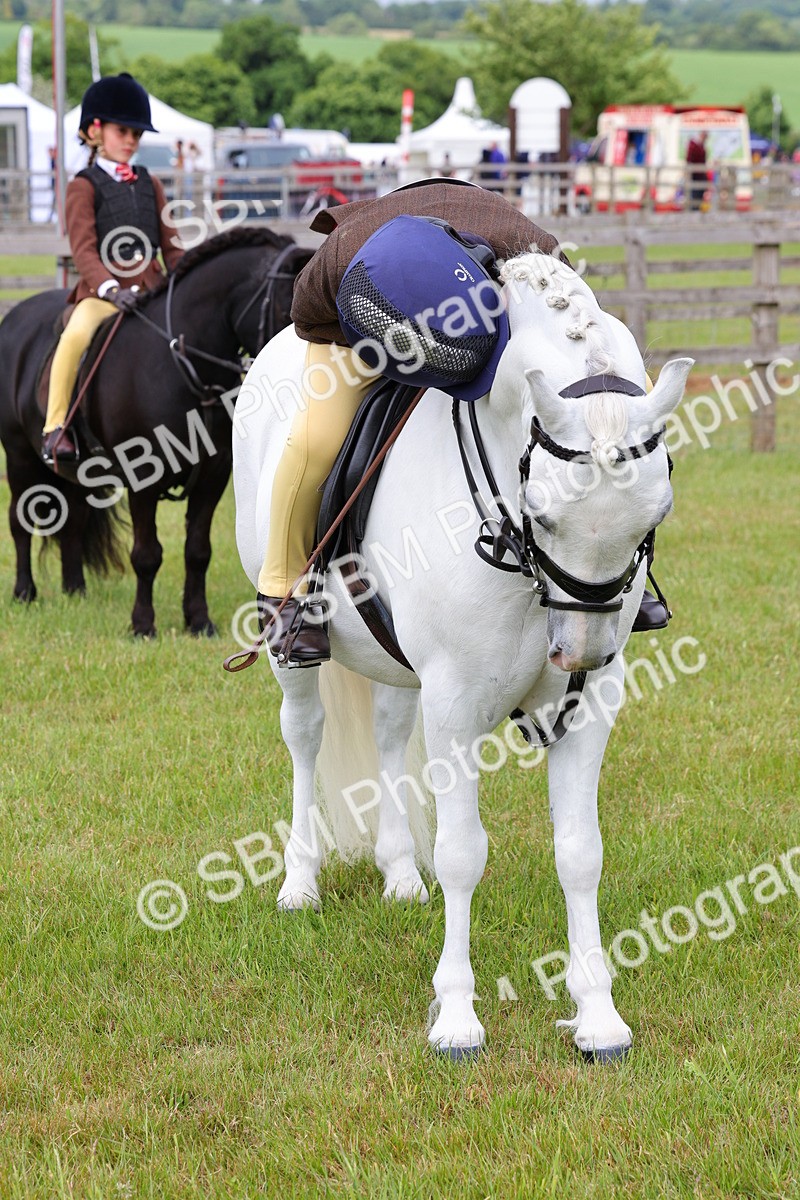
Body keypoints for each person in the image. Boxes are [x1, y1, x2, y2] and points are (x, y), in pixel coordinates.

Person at [256, 181, 572, 666]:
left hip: (486, 317)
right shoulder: (336, 266)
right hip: (356, 329)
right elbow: (307, 323)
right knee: (315, 441)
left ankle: (607, 578)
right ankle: (282, 596)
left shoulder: (539, 257)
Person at [41, 73, 183, 464]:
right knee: (75, 336)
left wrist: (186, 276)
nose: (132, 140)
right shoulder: (83, 186)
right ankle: (56, 429)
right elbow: (83, 249)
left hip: (152, 292)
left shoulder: (149, 182)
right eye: (124, 131)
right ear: (95, 130)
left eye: (137, 134)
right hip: (103, 296)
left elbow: (170, 244)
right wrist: (108, 288)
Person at [686, 130, 708, 211]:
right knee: (695, 194)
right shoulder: (694, 145)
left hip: (700, 174)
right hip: (695, 175)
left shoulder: (701, 145)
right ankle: (694, 210)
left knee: (699, 194)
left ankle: (696, 209)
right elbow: (690, 159)